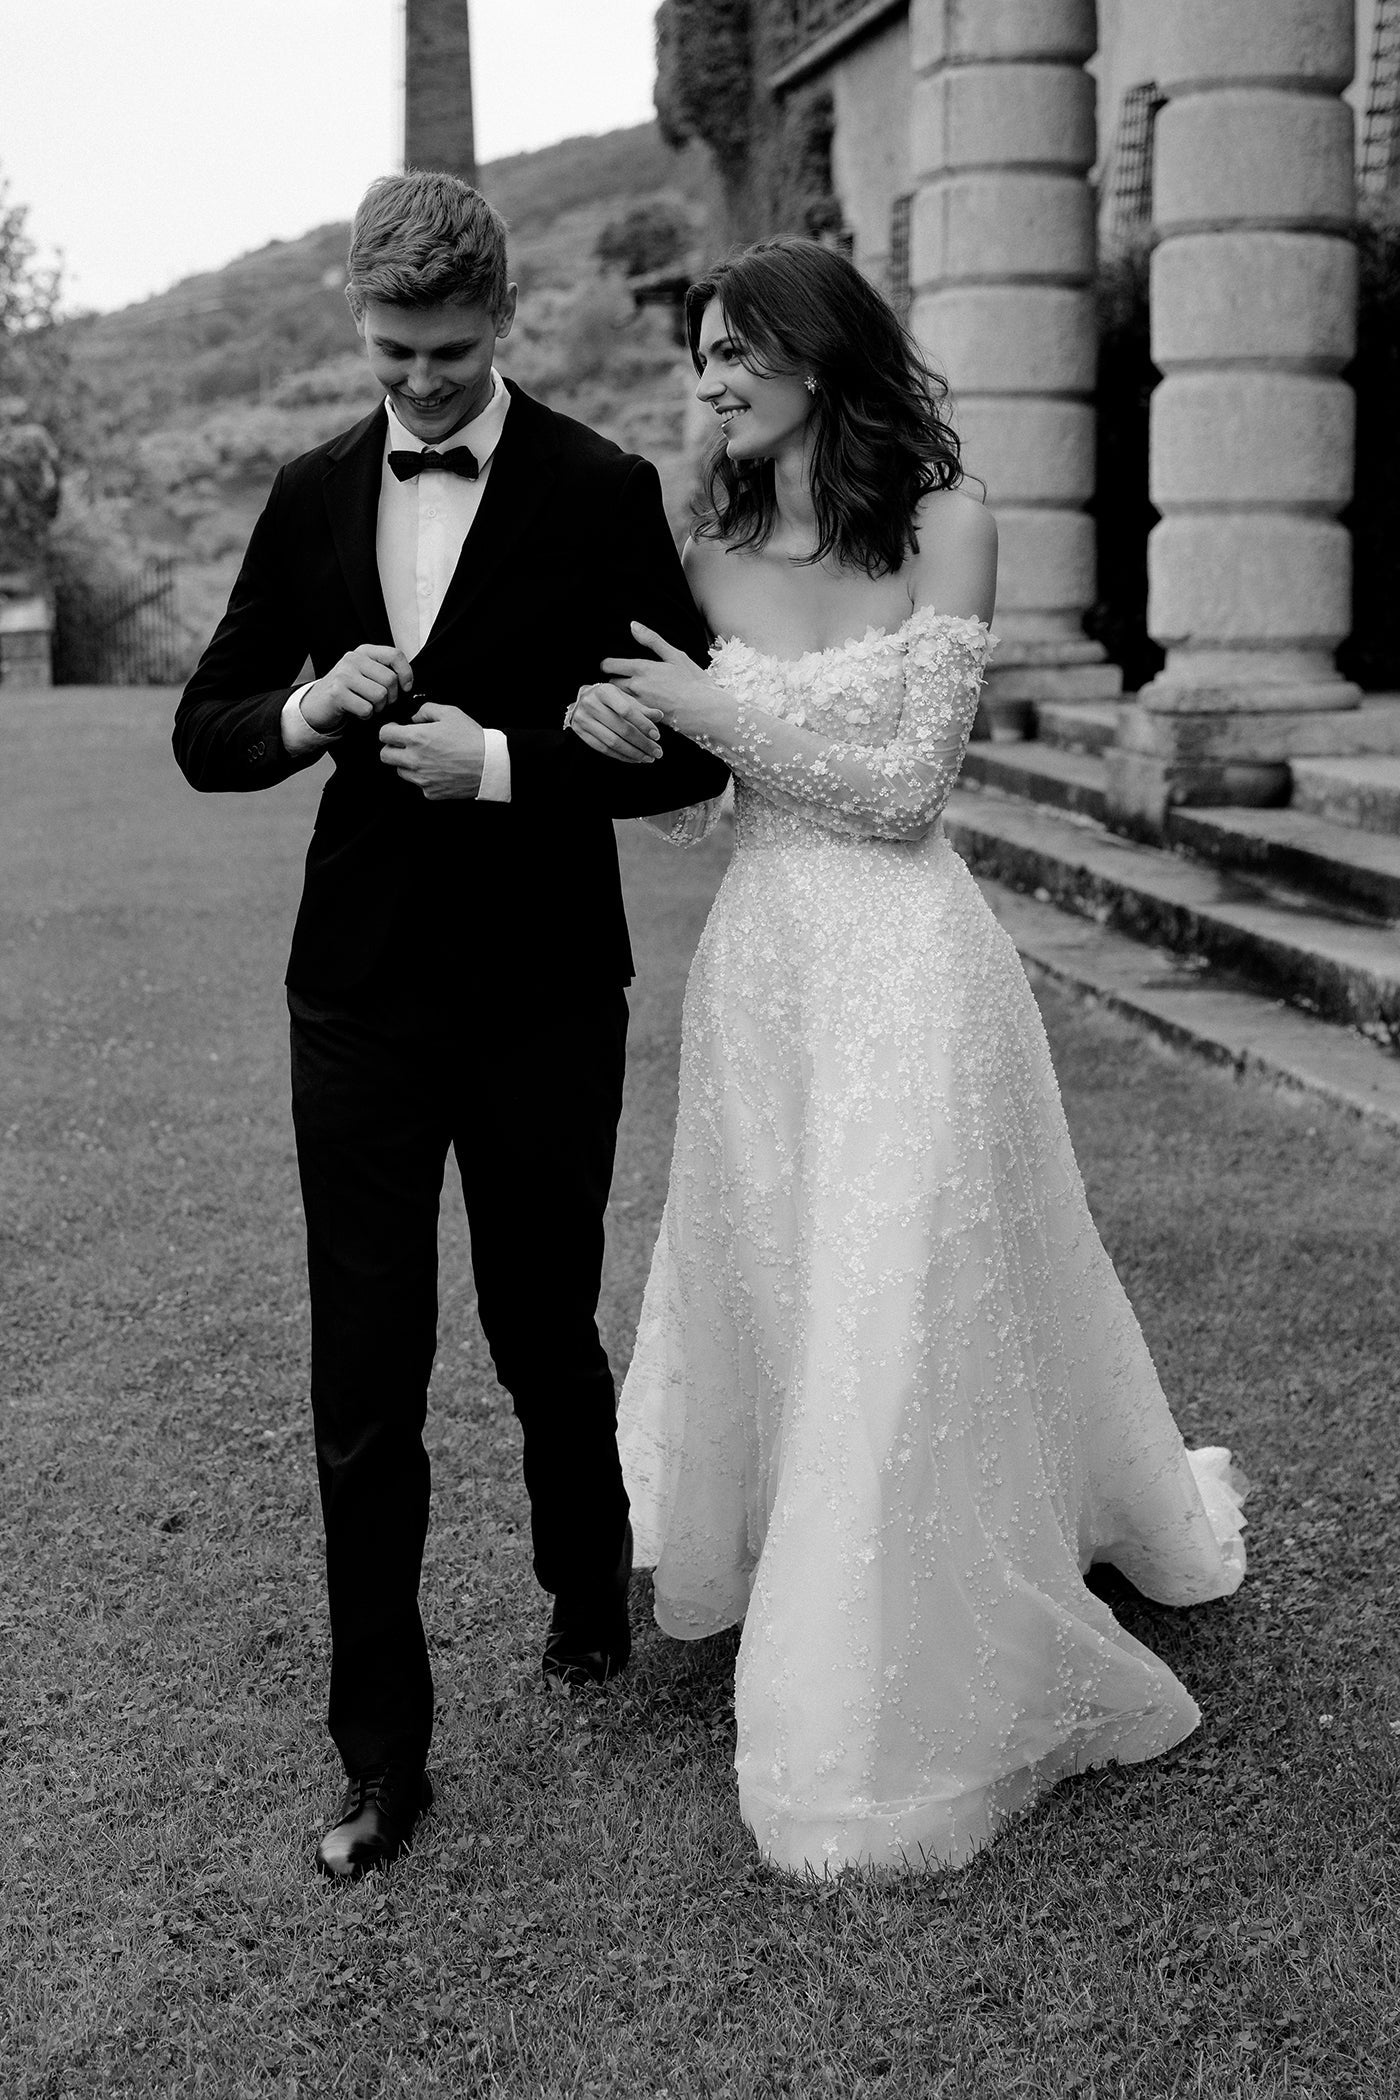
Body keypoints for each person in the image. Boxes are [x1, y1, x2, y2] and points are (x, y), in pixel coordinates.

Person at [568, 237, 1247, 1876]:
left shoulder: (957, 523)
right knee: (792, 1276)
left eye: (734, 352)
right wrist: (623, 740)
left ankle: (899, 1657)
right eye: (698, 357)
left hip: (915, 966)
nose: (708, 381)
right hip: (765, 974)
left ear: (821, 358)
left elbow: (902, 790)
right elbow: (718, 802)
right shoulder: (700, 549)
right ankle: (792, 1550)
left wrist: (706, 709)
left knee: (904, 1283)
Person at [172, 172, 729, 1881]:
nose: (419, 381)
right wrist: (302, 705)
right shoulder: (311, 491)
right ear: (359, 323)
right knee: (365, 1372)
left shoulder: (598, 489)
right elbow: (206, 731)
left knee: (540, 1324)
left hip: (548, 988)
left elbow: (701, 744)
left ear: (508, 325)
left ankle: (584, 1582)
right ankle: (381, 1756)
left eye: (451, 350)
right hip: (355, 992)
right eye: (394, 350)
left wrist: (510, 766)